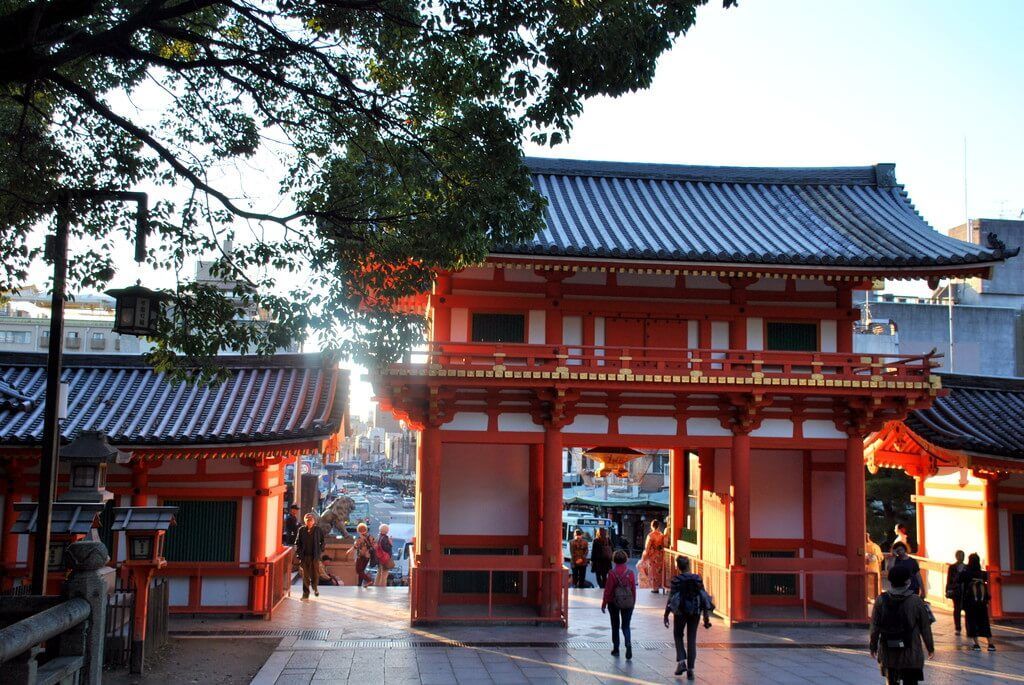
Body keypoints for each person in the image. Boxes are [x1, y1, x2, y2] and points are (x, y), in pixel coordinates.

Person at [870, 565, 935, 685]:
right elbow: (925, 627)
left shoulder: (881, 600)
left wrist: (873, 646)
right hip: (911, 651)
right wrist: (930, 647)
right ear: (907, 581)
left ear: (890, 581)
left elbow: (875, 626)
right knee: (911, 681)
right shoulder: (916, 601)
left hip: (889, 649)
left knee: (891, 680)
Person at [664, 556, 710, 680]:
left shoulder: (676, 580)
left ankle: (681, 662)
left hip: (680, 611)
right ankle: (691, 669)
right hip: (695, 611)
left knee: (678, 635)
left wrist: (666, 614)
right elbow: (704, 596)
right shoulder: (697, 579)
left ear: (678, 567)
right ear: (689, 565)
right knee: (692, 638)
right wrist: (706, 616)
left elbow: (671, 598)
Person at [958, 553, 996, 651]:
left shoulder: (966, 572)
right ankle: (990, 644)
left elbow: (958, 580)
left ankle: (976, 644)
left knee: (972, 621)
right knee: (984, 622)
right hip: (982, 603)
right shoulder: (982, 573)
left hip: (970, 603)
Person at [602, 550, 636, 660]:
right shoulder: (630, 573)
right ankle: (628, 644)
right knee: (626, 626)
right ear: (626, 559)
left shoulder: (612, 573)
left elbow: (608, 590)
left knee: (615, 625)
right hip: (628, 602)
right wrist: (633, 602)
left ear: (614, 560)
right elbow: (633, 589)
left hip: (614, 602)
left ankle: (616, 648)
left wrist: (604, 603)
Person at [294, 513, 325, 599]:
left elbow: (323, 541)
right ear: (305, 521)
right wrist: (299, 554)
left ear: (314, 521)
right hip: (304, 557)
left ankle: (315, 588)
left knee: (315, 574)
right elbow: (297, 542)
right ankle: (305, 593)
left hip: (314, 556)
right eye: (307, 520)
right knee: (305, 576)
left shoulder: (318, 530)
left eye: (311, 520)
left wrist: (320, 550)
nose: (309, 521)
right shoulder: (301, 530)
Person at [637, 520, 666, 593]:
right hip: (660, 555)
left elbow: (647, 547)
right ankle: (661, 586)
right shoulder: (661, 535)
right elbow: (663, 545)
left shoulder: (650, 535)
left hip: (652, 556)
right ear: (658, 526)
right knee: (660, 571)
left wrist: (644, 556)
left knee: (653, 572)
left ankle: (655, 588)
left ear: (652, 526)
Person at [945, 550, 967, 635]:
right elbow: (949, 579)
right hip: (956, 590)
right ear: (956, 556)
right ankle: (958, 627)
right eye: (960, 555)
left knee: (967, 609)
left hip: (965, 590)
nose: (961, 557)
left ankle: (968, 627)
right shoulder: (952, 567)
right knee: (957, 609)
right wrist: (948, 590)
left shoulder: (966, 567)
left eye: (962, 555)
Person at [348, 522, 376, 588]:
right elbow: (374, 545)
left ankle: (369, 580)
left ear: (358, 530)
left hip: (361, 555)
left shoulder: (360, 538)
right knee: (362, 570)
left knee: (358, 570)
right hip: (368, 556)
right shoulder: (371, 537)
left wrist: (349, 551)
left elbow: (356, 546)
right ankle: (359, 584)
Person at [865, 533, 884, 599]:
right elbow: (881, 557)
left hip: (870, 568)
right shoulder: (876, 546)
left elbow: (880, 557)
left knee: (870, 584)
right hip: (874, 568)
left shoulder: (873, 546)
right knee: (873, 584)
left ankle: (870, 597)